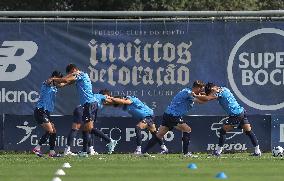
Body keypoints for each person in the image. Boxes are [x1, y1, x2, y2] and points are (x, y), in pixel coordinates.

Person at [51, 64, 117, 156]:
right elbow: (63, 84)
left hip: (89, 104)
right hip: (89, 104)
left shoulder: (79, 74)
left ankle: (109, 141)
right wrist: (55, 83)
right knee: (86, 129)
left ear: (74, 70)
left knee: (88, 128)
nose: (70, 75)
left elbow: (65, 79)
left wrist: (53, 79)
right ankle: (85, 151)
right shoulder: (78, 77)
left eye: (70, 73)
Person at [194, 82, 261, 156]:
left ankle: (218, 152)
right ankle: (257, 151)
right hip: (241, 112)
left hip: (236, 115)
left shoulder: (219, 93)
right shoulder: (224, 89)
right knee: (248, 131)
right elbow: (208, 95)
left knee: (222, 131)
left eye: (211, 91)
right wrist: (202, 94)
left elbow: (208, 98)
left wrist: (195, 95)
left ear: (213, 89)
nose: (211, 93)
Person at [142, 80, 205, 157]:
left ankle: (144, 152)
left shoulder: (188, 91)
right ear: (198, 88)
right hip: (173, 116)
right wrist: (210, 96)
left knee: (159, 135)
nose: (201, 91)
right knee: (187, 129)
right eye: (201, 89)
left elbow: (200, 99)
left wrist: (206, 96)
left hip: (168, 115)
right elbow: (200, 101)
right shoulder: (188, 92)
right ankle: (185, 154)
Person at [64, 90, 118, 156]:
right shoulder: (102, 96)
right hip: (83, 110)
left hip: (84, 110)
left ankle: (88, 150)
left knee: (87, 130)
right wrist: (120, 101)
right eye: (109, 96)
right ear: (106, 95)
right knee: (77, 129)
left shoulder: (95, 99)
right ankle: (109, 141)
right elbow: (111, 100)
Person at [32, 70, 65, 157]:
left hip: (46, 112)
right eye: (58, 78)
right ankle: (37, 148)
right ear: (54, 77)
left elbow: (63, 83)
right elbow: (49, 81)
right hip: (40, 110)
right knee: (49, 130)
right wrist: (54, 78)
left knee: (53, 131)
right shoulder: (46, 83)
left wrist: (73, 79)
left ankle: (52, 152)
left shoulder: (55, 86)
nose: (59, 80)